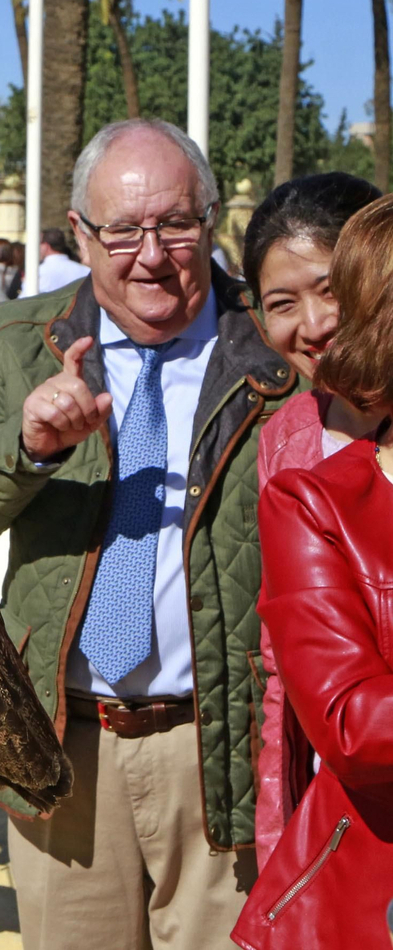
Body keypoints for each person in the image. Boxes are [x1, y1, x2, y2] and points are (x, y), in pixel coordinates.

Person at [0, 118, 294, 949]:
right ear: (83, 235)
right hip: (65, 754)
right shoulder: (21, 341)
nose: (151, 255)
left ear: (210, 222)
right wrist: (25, 447)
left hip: (222, 748)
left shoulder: (271, 345)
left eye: (175, 225)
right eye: (123, 230)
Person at [231, 195, 393, 949]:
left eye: (331, 289)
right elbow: (288, 684)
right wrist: (281, 835)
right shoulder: (288, 451)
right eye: (281, 304)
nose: (316, 323)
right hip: (351, 816)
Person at [36, 226, 90, 293]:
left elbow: (25, 299)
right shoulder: (86, 271)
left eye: (40, 243)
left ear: (46, 245)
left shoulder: (38, 272)